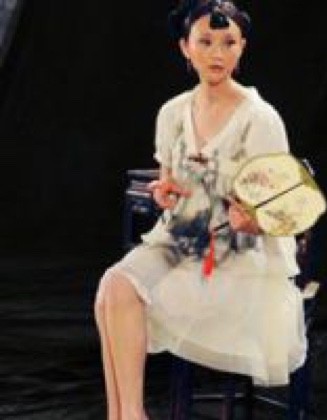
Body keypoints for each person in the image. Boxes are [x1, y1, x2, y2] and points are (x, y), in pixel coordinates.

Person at [94, 1, 307, 419]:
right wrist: (166, 194)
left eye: (228, 43)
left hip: (237, 256)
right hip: (179, 240)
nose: (217, 54)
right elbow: (169, 183)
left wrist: (253, 221)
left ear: (242, 48)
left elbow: (281, 211)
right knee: (111, 289)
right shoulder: (173, 113)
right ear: (185, 48)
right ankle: (125, 415)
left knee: (121, 294)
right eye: (205, 42)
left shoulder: (260, 119)